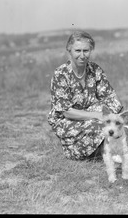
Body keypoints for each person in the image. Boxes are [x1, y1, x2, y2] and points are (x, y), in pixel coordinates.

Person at [47, 30, 123, 160]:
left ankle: (109, 146)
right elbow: (66, 112)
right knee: (97, 125)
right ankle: (91, 150)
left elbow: (110, 96)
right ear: (69, 50)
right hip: (68, 120)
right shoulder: (61, 74)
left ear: (91, 50)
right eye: (77, 51)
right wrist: (98, 116)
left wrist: (114, 115)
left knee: (115, 110)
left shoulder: (95, 69)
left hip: (89, 112)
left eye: (86, 51)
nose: (82, 55)